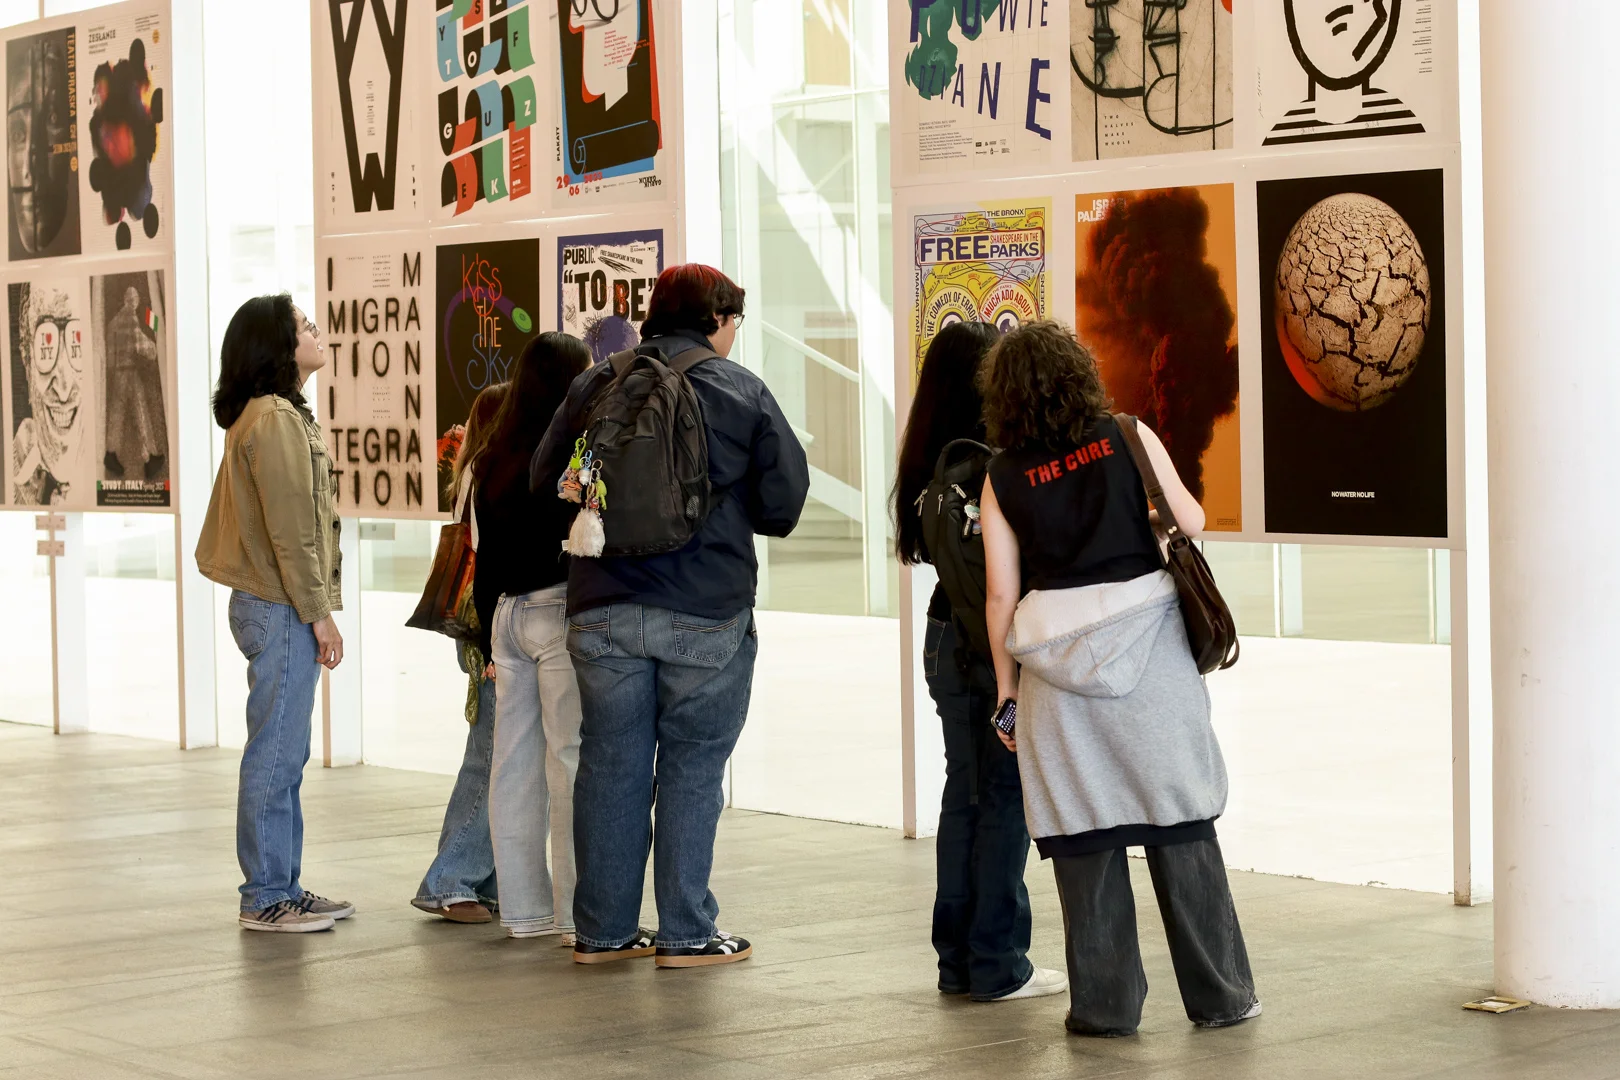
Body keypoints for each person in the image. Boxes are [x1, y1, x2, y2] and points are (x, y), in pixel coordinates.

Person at [977, 320, 1259, 1036]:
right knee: (1181, 822)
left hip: (1055, 677)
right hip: (1153, 656)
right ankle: (1222, 999)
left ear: (1004, 396)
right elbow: (1190, 519)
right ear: (1079, 373)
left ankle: (1104, 1010)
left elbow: (1001, 595)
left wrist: (1007, 692)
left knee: (1084, 835)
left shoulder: (1001, 475)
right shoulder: (1127, 434)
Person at [531, 264, 809, 967]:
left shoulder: (597, 381)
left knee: (609, 763)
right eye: (734, 321)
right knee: (692, 767)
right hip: (705, 608)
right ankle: (686, 932)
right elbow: (783, 504)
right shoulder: (739, 389)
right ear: (717, 319)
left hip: (601, 604)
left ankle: (604, 933)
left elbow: (544, 482)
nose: (734, 333)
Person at [892, 322, 1066, 1004]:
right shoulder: (997, 466)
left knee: (963, 794)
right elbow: (1007, 583)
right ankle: (998, 961)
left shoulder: (928, 463)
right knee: (1002, 799)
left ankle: (957, 962)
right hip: (992, 645)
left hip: (944, 634)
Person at [195, 294, 352, 933]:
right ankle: (264, 896)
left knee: (286, 751)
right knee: (277, 755)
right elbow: (293, 533)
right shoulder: (275, 418)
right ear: (279, 347)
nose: (316, 331)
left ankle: (283, 885)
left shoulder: (267, 415)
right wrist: (320, 614)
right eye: (304, 326)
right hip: (280, 604)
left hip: (271, 601)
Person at [476, 333, 593, 941]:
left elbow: (486, 558)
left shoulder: (492, 454)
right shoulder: (569, 457)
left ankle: (523, 911)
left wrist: (485, 642)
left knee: (513, 767)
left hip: (505, 617)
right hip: (556, 610)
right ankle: (575, 915)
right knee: (567, 761)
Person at [411, 383, 508, 924]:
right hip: (487, 631)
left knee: (495, 753)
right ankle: (449, 880)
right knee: (489, 756)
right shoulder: (488, 473)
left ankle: (481, 880)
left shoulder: (470, 471)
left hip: (476, 628)